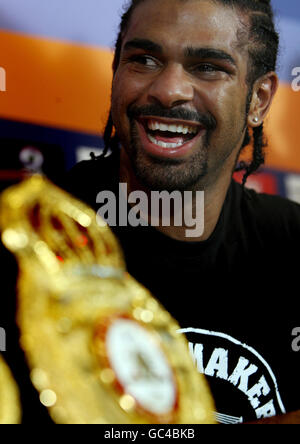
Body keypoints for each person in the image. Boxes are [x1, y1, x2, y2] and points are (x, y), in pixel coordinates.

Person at [65, 0, 300, 424]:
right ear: (115, 71)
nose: (169, 89)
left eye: (208, 67)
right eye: (145, 59)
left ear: (259, 99)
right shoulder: (27, 233)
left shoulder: (294, 243)